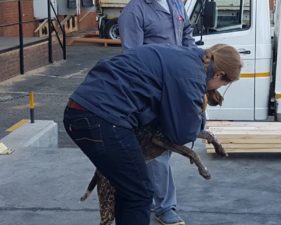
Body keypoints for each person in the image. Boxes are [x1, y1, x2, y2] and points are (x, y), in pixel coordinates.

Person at [63, 43, 242, 225]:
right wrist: (199, 114)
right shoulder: (192, 75)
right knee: (139, 193)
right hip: (102, 118)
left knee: (130, 190)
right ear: (219, 75)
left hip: (81, 110)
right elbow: (182, 134)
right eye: (223, 84)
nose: (218, 89)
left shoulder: (184, 56)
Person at [118, 1, 196, 224]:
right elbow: (132, 58)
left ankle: (156, 201)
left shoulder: (176, 4)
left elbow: (186, 34)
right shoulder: (134, 12)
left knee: (169, 144)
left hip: (175, 86)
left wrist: (192, 62)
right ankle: (163, 208)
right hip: (152, 91)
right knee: (156, 150)